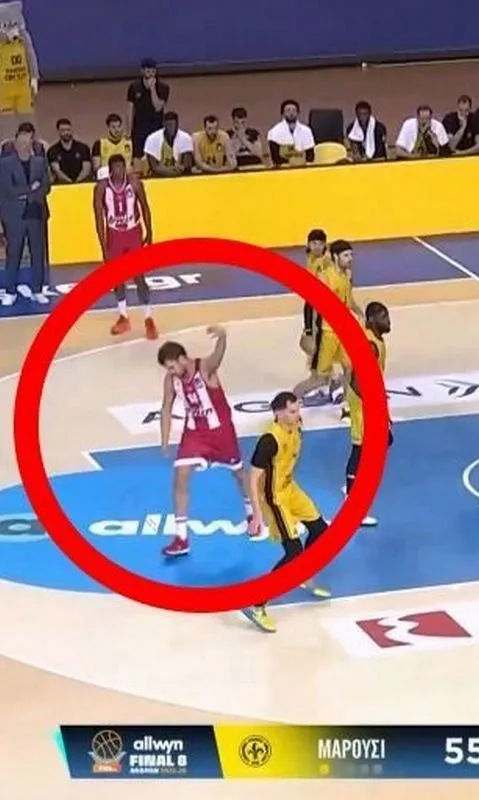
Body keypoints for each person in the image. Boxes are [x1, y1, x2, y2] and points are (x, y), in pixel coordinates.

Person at [156, 330, 255, 558]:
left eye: (171, 367)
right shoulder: (171, 380)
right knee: (180, 475)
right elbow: (166, 408)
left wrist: (223, 337)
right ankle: (181, 538)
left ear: (182, 359)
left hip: (221, 432)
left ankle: (251, 512)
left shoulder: (204, 368)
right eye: (167, 369)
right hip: (194, 434)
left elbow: (218, 355)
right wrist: (164, 440)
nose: (170, 372)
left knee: (239, 474)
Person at [243, 392, 332, 633]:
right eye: (292, 412)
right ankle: (257, 604)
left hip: (290, 488)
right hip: (275, 497)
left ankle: (300, 573)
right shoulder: (269, 441)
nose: (297, 415)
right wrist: (257, 514)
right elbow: (252, 478)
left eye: (297, 410)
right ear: (278, 412)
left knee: (320, 530)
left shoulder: (297, 425)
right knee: (293, 551)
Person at [93, 154, 155, 338]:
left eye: (122, 167)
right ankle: (123, 316)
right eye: (116, 168)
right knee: (117, 277)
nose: (120, 171)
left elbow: (145, 207)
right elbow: (99, 218)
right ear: (110, 170)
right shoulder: (101, 188)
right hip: (114, 234)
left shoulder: (135, 184)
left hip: (133, 233)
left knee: (139, 276)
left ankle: (148, 318)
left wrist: (149, 232)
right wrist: (103, 246)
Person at [344, 301, 394, 527]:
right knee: (361, 449)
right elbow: (357, 382)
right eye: (384, 317)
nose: (388, 321)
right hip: (363, 403)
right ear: (372, 320)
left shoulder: (377, 340)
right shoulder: (370, 345)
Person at [294, 239, 360, 403]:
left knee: (351, 366)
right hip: (328, 332)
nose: (350, 259)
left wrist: (359, 312)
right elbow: (315, 307)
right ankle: (293, 397)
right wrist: (311, 333)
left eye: (351, 255)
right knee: (319, 377)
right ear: (336, 257)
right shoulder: (325, 278)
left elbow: (348, 298)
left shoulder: (347, 275)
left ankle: (343, 399)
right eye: (346, 255)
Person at [0, 122, 50, 306]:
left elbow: (46, 186)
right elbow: (8, 190)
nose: (24, 145)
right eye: (21, 141)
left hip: (35, 212)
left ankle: (37, 290)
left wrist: (29, 193)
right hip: (15, 216)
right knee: (14, 253)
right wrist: (30, 189)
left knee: (38, 253)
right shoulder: (5, 164)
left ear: (31, 142)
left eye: (27, 141)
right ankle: (10, 291)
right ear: (15, 142)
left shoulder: (40, 162)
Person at [299, 228, 331, 373]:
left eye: (320, 243)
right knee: (310, 336)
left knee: (319, 339)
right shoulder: (310, 257)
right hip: (311, 303)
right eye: (314, 243)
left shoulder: (326, 260)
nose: (317, 246)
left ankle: (323, 370)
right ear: (309, 244)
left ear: (325, 245)